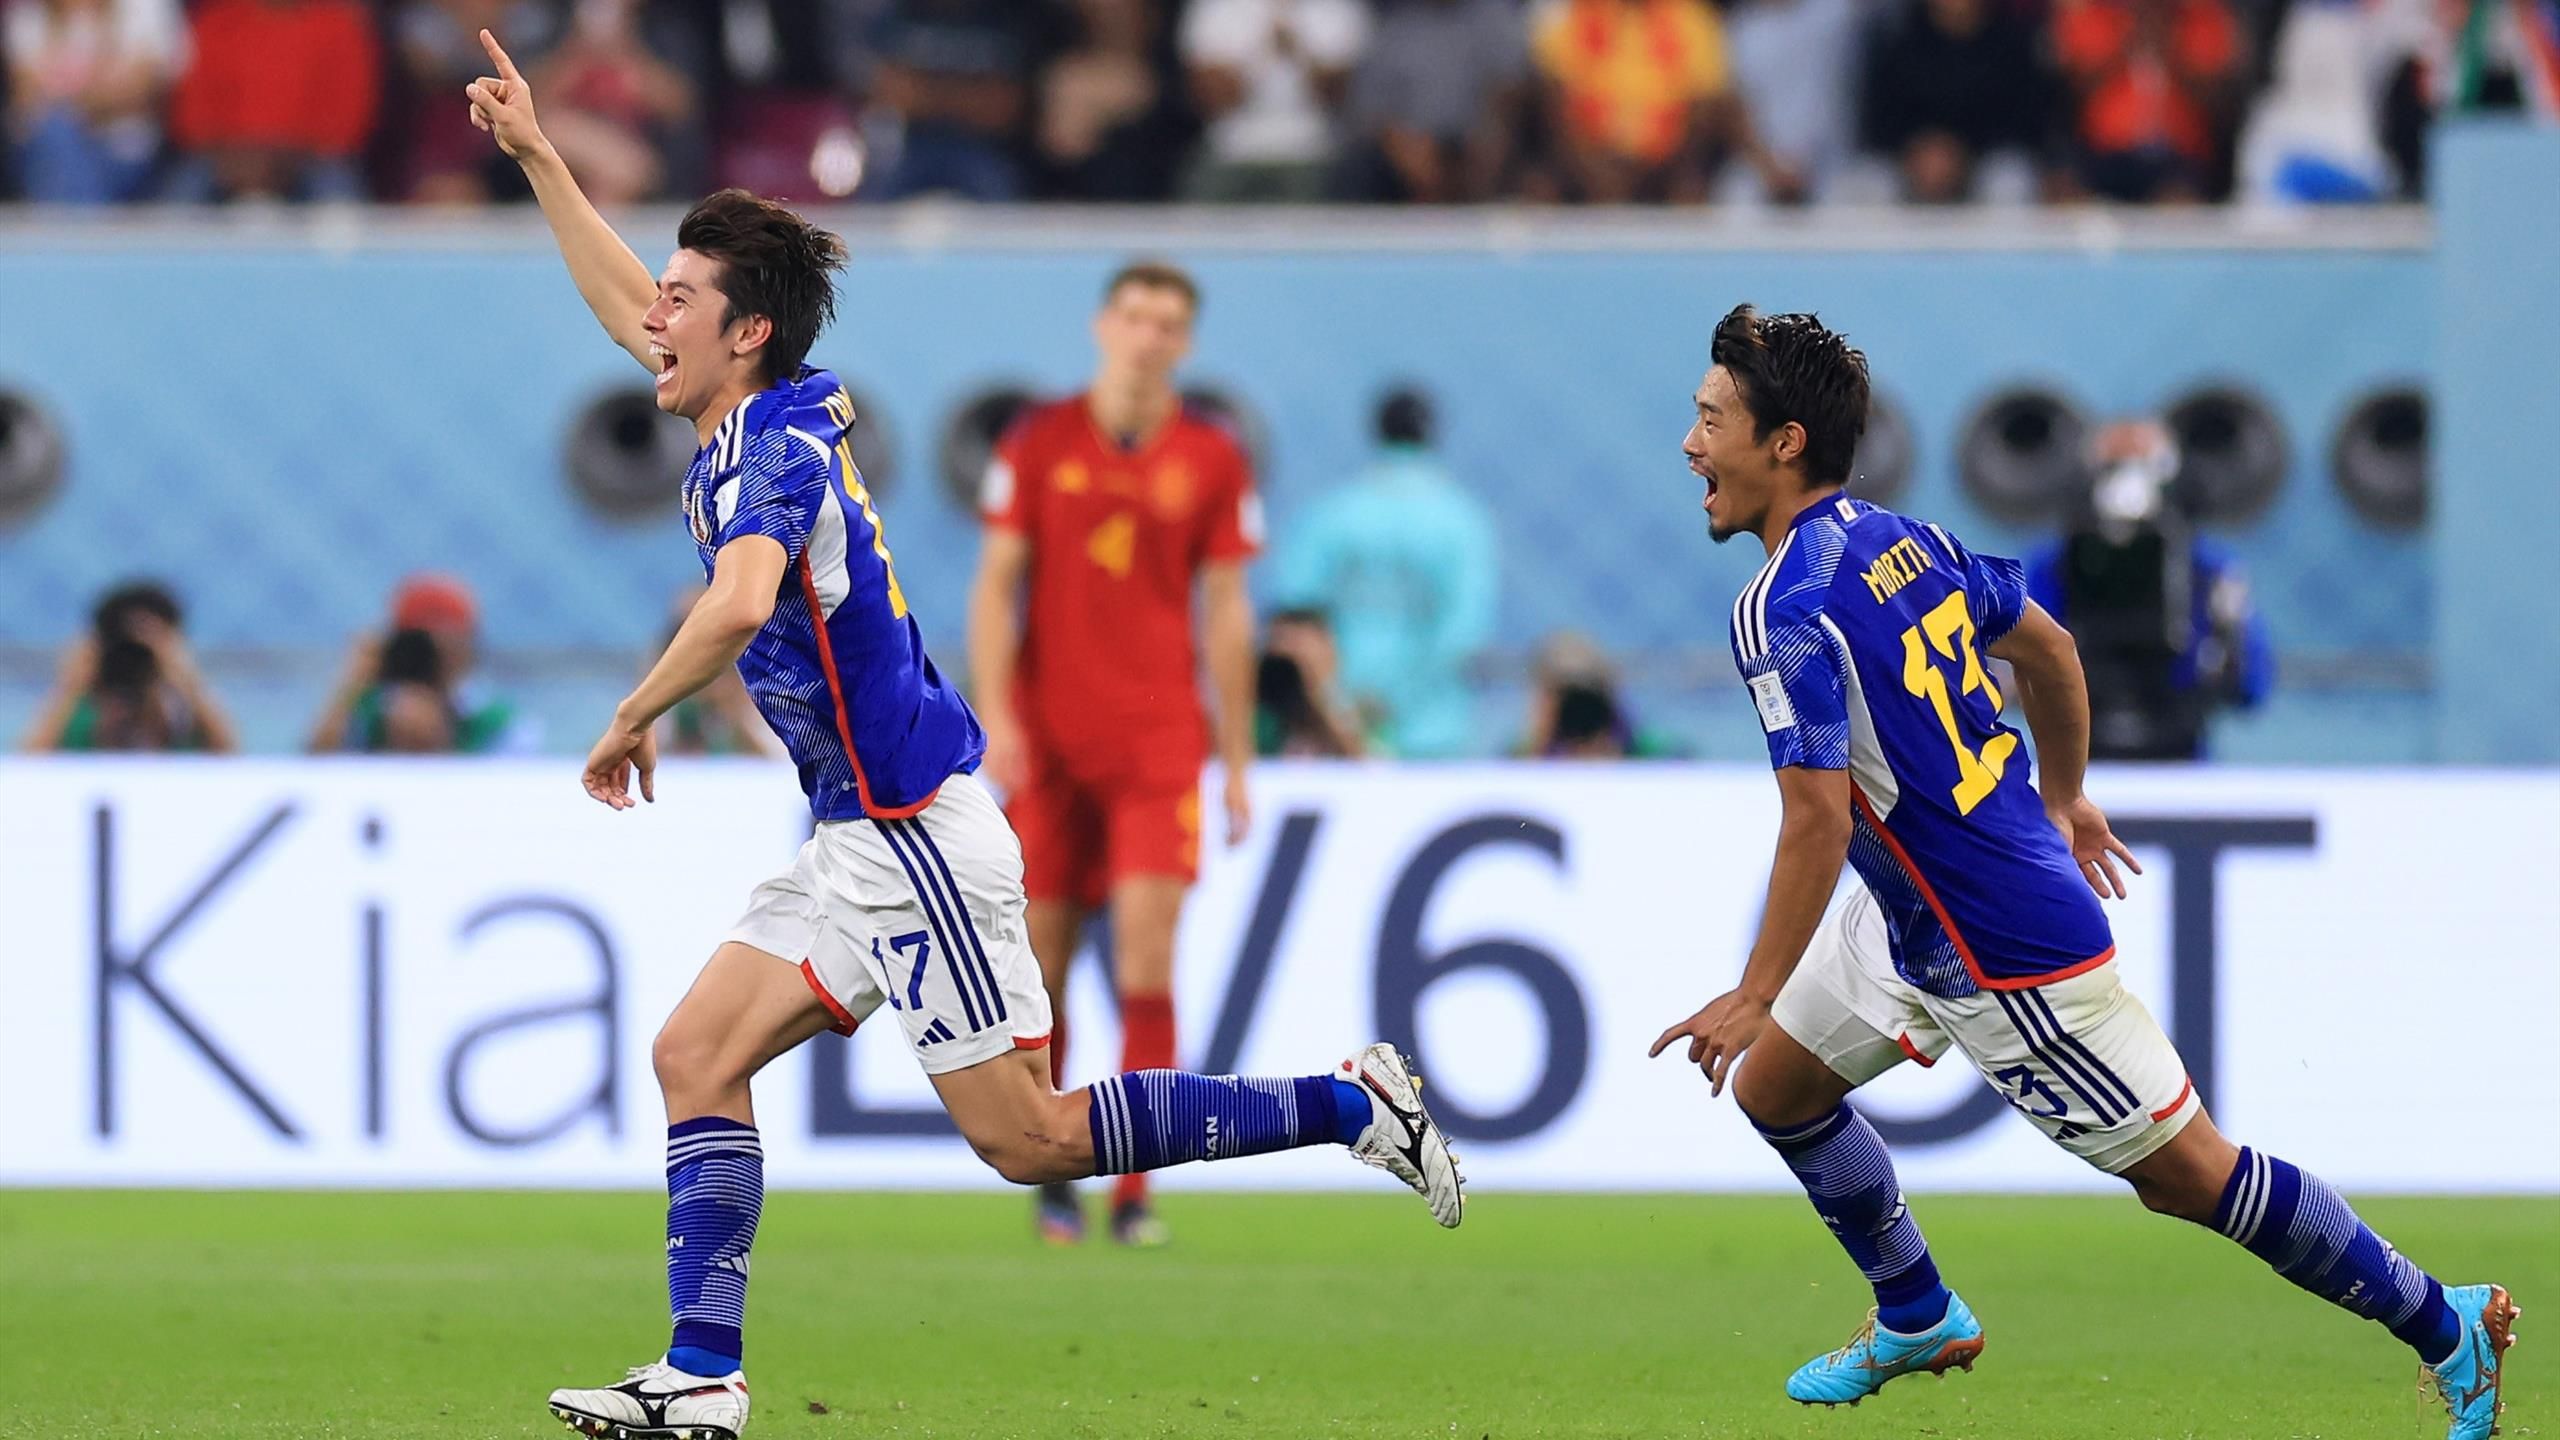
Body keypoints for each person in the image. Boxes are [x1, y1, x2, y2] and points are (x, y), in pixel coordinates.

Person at [464, 33, 1461, 1438]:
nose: (652, 318)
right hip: (851, 836)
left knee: (1027, 1138)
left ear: (742, 331)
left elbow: (744, 598)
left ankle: (1345, 1102)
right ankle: (701, 1378)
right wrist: (542, 159)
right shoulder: (750, 412)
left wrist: (632, 716)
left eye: (683, 300)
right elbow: (628, 298)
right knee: (698, 1055)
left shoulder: (776, 457)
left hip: (915, 834)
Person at [1649, 305, 2516, 1437]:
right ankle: (1915, 1309)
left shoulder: (1782, 610)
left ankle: (2442, 1323)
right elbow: (2046, 645)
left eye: (1710, 419)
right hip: (1917, 912)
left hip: (2001, 948)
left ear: (1785, 443)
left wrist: (1753, 987)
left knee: (2187, 1174)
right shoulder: (1902, 537)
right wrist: (2060, 794)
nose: (1690, 443)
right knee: (1778, 1087)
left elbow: (1814, 818)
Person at [966, 260, 1264, 1248]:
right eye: (1135, 317)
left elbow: (1225, 612)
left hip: (1157, 745)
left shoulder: (1214, 458)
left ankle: (1136, 1186)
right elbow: (993, 590)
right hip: (1049, 747)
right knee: (1039, 974)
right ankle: (1057, 1174)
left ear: (1185, 342)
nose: (1147, 337)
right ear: (1104, 325)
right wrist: (998, 721)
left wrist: (1233, 759)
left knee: (1145, 965)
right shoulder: (1038, 439)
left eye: (1168, 323)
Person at [2025, 418, 2273, 760]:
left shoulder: (2207, 569)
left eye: (2144, 467)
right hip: (2078, 758)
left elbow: (2251, 686)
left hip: (2180, 752)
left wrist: (2226, 646)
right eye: (2114, 468)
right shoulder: (2054, 567)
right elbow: (2014, 675)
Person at [1274, 386, 1497, 759]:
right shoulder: (1462, 521)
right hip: (1431, 728)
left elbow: (1294, 613)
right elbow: (1465, 628)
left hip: (1339, 721)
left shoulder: (1332, 513)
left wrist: (1346, 696)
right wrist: (1399, 696)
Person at [307, 573, 534, 754]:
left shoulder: (499, 723)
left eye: (450, 645)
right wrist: (351, 684)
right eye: (421, 646)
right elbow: (316, 769)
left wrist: (440, 744)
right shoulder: (368, 713)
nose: (435, 659)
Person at [20, 579, 238, 753]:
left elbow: (230, 760)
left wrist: (188, 680)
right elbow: (28, 768)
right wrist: (69, 686)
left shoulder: (181, 717)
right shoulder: (78, 716)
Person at [4, 0, 187, 204]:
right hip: (45, 153)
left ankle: (75, 226)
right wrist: (99, 93)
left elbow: (138, 93)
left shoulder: (145, 7)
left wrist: (63, 98)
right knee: (56, 136)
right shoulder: (28, 16)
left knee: (60, 136)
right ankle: (82, 225)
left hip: (129, 153)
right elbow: (27, 100)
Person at [1255, 608, 1365, 757]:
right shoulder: (1260, 716)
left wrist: (1320, 698)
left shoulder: (1365, 711)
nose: (1289, 656)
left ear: (1330, 649)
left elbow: (1376, 767)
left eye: (1298, 644)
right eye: (1279, 642)